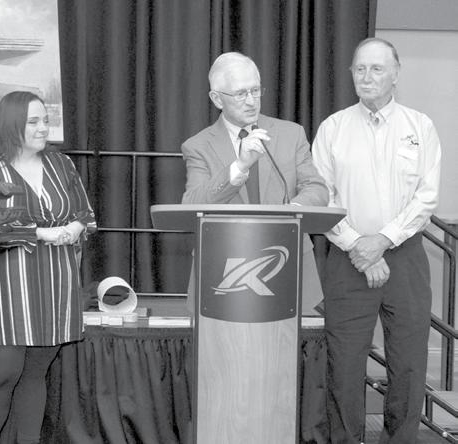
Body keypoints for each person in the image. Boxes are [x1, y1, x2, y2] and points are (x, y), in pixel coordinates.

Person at [311, 37, 441, 443]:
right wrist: (358, 245)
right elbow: (321, 196)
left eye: (377, 68)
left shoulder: (420, 127)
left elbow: (426, 197)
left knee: (408, 363)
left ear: (396, 73)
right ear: (352, 73)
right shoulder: (332, 128)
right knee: (344, 363)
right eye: (360, 68)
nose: (367, 77)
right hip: (347, 259)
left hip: (405, 257)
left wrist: (382, 240)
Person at [0, 91, 97, 444]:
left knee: (35, 373)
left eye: (46, 120)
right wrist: (40, 233)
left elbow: (86, 214)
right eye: (33, 121)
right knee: (3, 373)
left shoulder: (62, 164)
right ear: (11, 124)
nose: (43, 128)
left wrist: (76, 227)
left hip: (53, 282)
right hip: (2, 286)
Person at [181, 51, 328, 311]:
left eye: (256, 90)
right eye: (240, 94)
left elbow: (316, 188)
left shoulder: (291, 134)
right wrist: (240, 166)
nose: (251, 101)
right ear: (217, 99)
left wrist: (292, 213)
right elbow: (193, 203)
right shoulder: (198, 146)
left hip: (287, 260)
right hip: (223, 269)